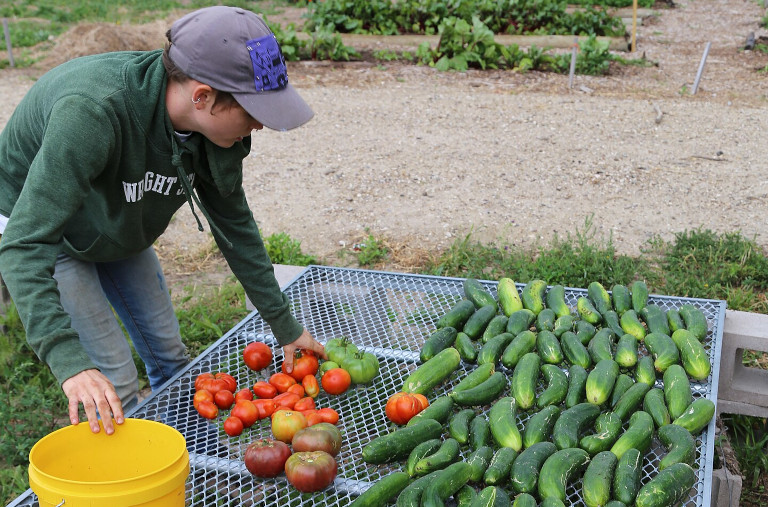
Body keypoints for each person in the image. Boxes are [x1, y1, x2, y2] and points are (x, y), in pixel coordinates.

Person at [0, 6, 327, 435]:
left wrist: (285, 324)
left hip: (117, 217)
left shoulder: (216, 134)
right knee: (112, 378)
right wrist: (69, 361)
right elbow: (26, 244)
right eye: (252, 112)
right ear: (203, 96)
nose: (261, 125)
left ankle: (184, 452)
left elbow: (234, 224)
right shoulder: (92, 112)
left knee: (171, 358)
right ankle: (131, 491)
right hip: (53, 230)